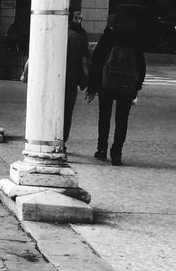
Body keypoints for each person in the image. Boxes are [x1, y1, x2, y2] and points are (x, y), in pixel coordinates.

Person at [87, 10, 146, 166]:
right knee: (122, 120)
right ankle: (117, 152)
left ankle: (101, 148)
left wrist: (93, 85)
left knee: (104, 116)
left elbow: (97, 61)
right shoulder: (134, 39)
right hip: (126, 86)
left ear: (112, 23)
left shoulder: (108, 38)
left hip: (106, 84)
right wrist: (137, 86)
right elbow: (141, 64)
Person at [62, 11, 90, 145]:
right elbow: (85, 61)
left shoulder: (57, 33)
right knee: (67, 112)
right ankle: (62, 140)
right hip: (71, 80)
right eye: (76, 18)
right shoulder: (80, 37)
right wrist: (87, 81)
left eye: (80, 18)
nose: (79, 21)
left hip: (56, 80)